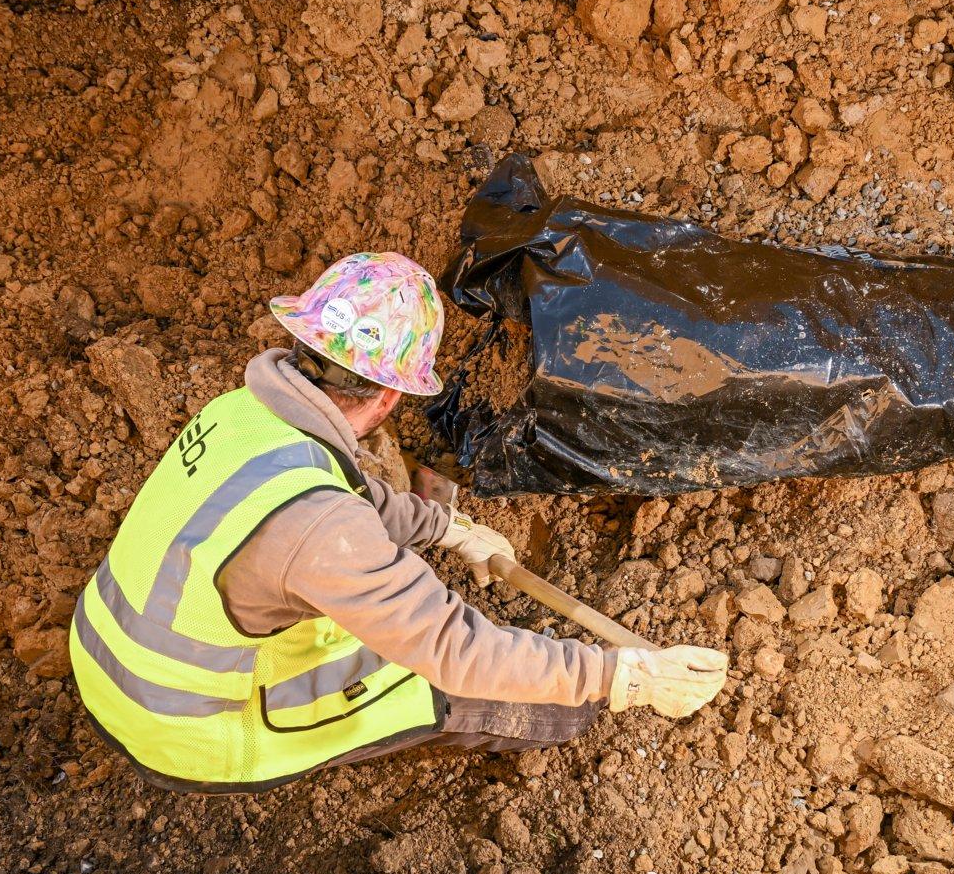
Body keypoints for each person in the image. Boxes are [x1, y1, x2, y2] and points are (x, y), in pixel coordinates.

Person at [69, 252, 729, 794]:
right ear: (390, 396)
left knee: (349, 611)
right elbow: (457, 649)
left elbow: (339, 493)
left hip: (104, 649)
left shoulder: (244, 412)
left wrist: (447, 527)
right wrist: (617, 677)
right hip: (178, 724)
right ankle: (538, 719)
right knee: (455, 688)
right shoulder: (325, 531)